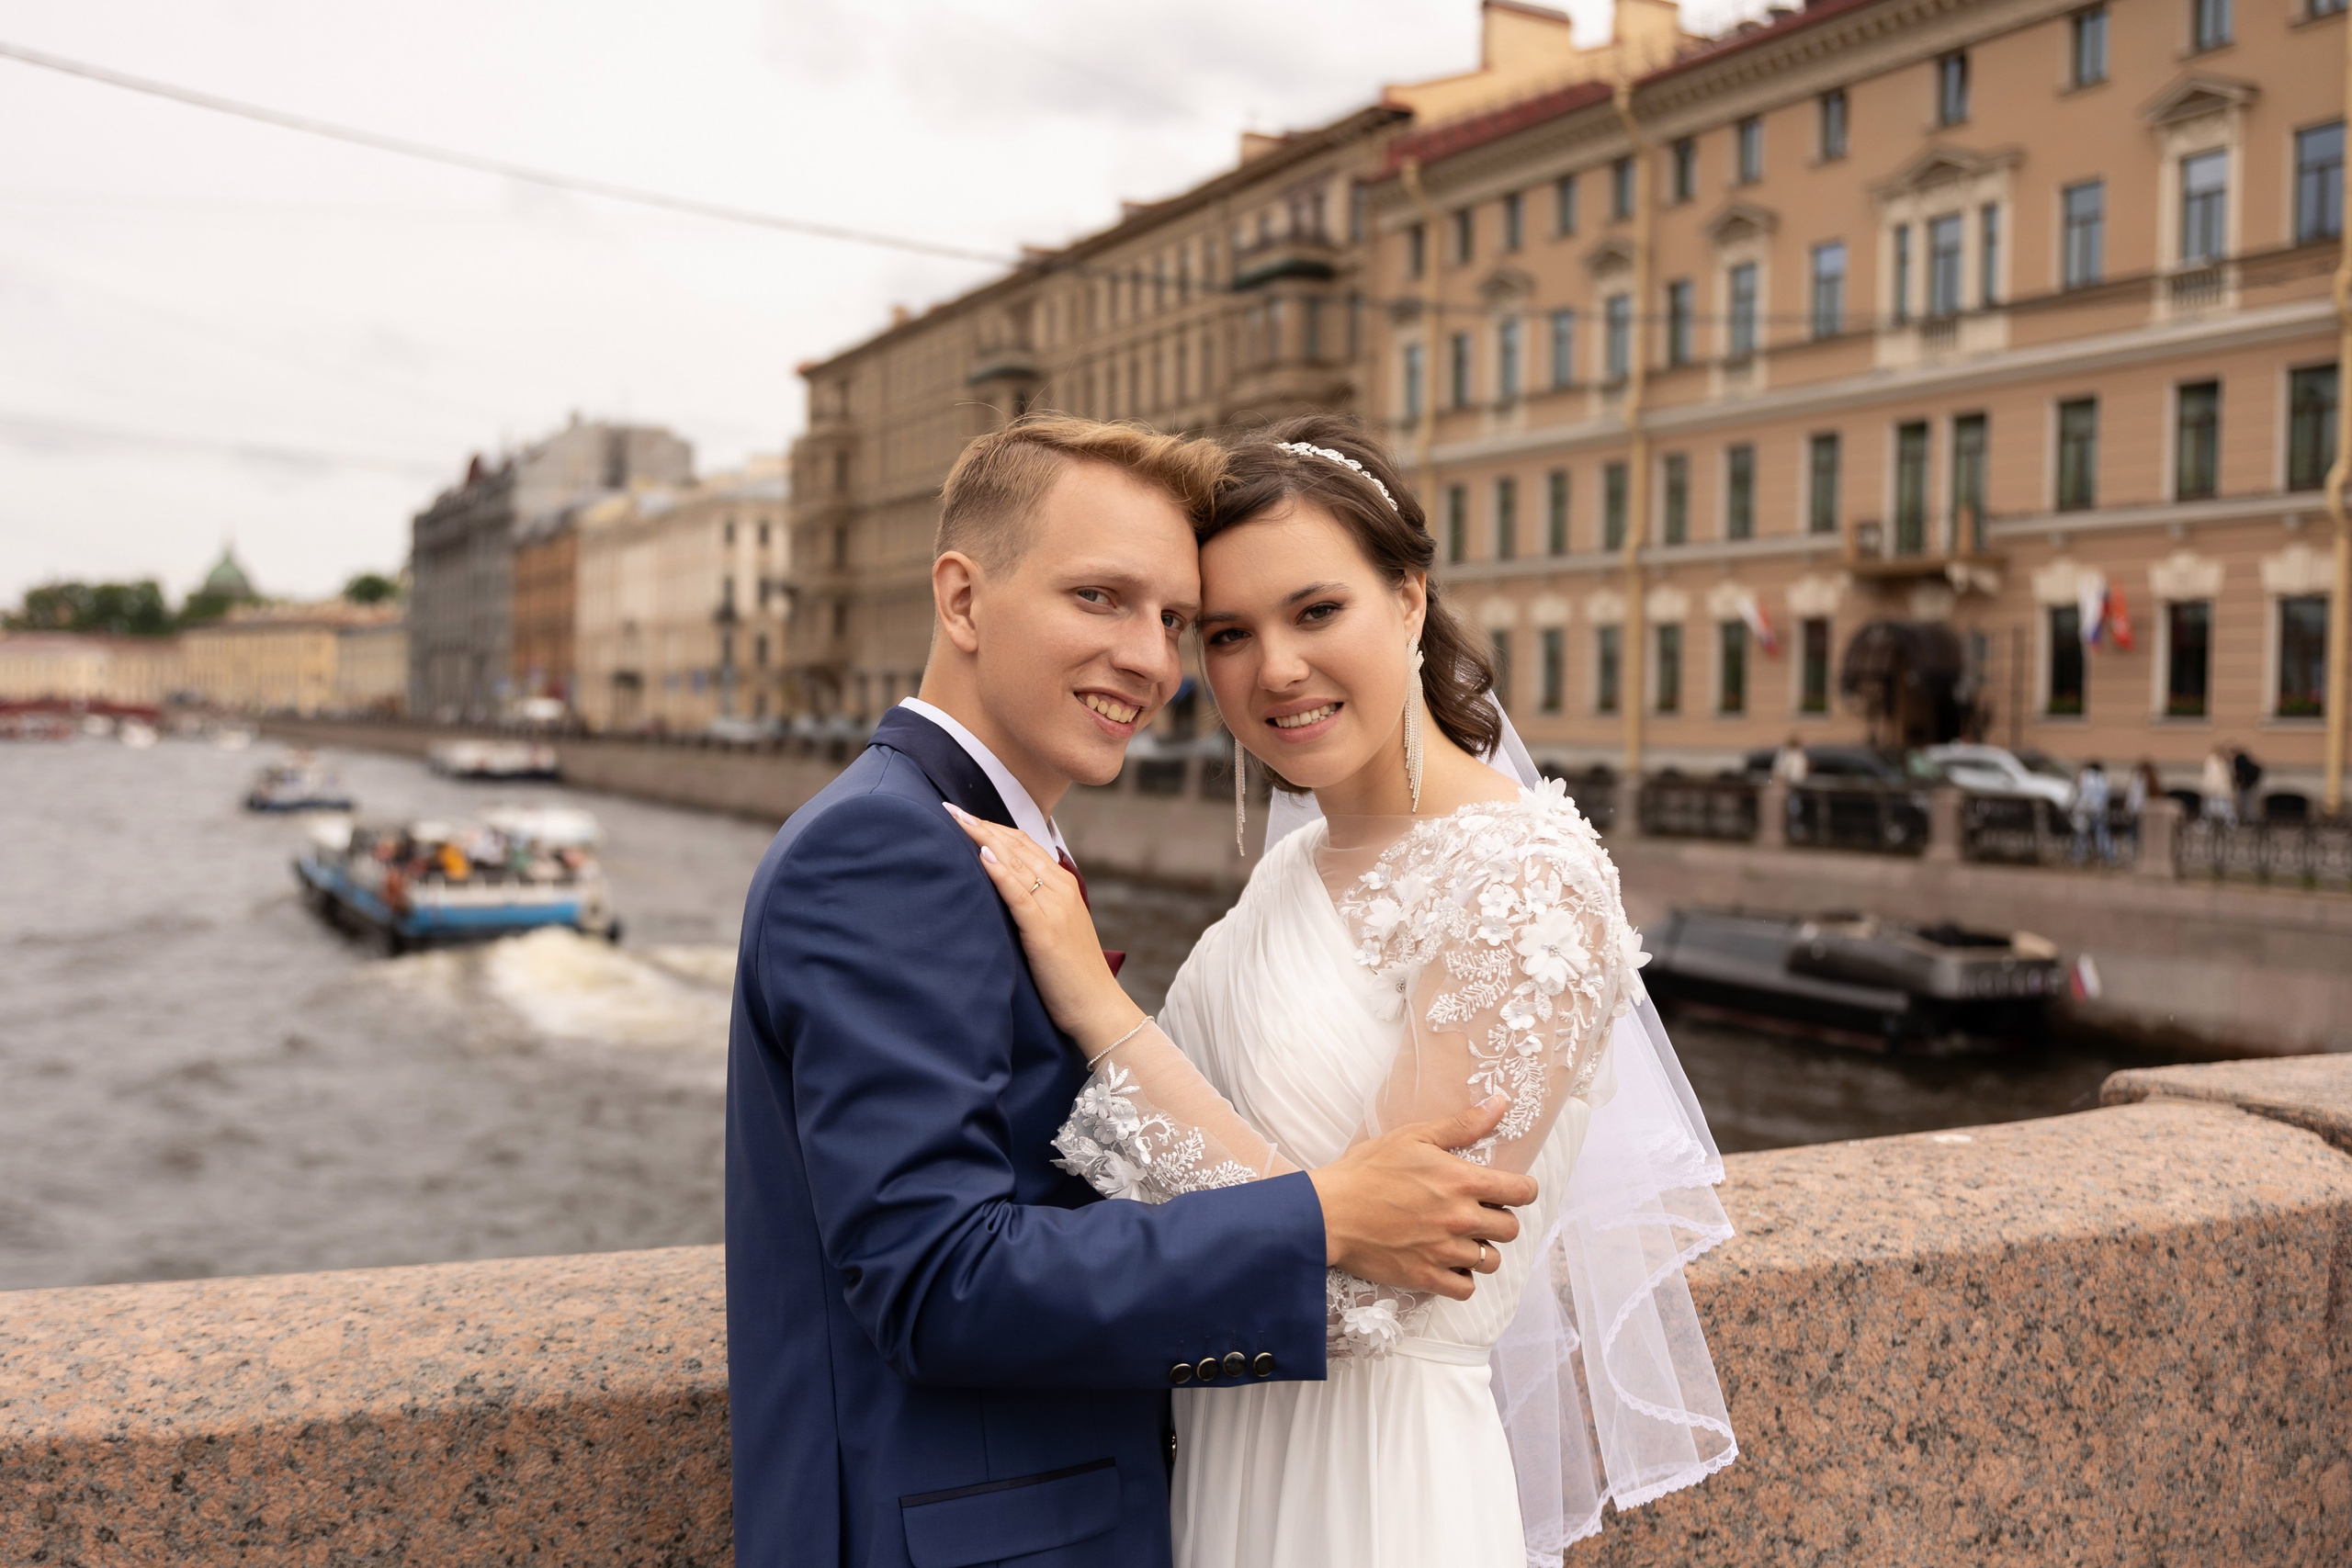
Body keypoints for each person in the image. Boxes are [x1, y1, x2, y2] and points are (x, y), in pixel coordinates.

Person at [725, 414, 1542, 1568]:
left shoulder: (977, 837)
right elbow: (935, 1279)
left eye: (1170, 620)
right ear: (961, 602)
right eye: (1101, 598)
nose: (1153, 662)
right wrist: (1323, 1215)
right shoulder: (889, 850)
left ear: (1410, 601)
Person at [951, 417, 1734, 1566]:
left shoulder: (1526, 886)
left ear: (1409, 600)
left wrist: (1097, 1007)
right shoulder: (1286, 873)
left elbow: (1378, 1302)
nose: (1274, 669)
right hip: (1220, 1468)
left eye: (1316, 612)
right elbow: (1144, 1179)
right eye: (1226, 633)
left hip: (1377, 1492)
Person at [2070, 759, 2113, 865]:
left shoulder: (2084, 776)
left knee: (2081, 835)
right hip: (2099, 811)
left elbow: (2079, 794)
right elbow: (2105, 796)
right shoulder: (2102, 779)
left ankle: (2079, 856)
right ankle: (2108, 856)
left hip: (2084, 810)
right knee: (2101, 834)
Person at [2202, 744, 2237, 827]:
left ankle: (2229, 822)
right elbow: (2211, 776)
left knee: (2223, 806)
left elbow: (2221, 776)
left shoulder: (2221, 762)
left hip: (2220, 789)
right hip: (2217, 788)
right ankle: (2211, 822)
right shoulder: (2215, 761)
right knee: (2213, 806)